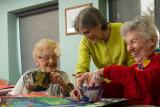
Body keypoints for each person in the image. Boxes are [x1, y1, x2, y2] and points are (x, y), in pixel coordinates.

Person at [71, 14, 160, 105]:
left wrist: (105, 71)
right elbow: (119, 89)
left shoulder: (158, 61)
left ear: (152, 41)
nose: (129, 49)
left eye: (133, 41)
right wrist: (97, 83)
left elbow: (141, 80)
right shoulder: (137, 66)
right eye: (127, 44)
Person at [74, 7, 135, 75]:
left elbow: (133, 62)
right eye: (83, 34)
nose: (86, 37)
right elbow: (82, 65)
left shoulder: (122, 30)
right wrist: (80, 75)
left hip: (128, 77)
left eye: (87, 32)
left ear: (98, 23)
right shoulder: (85, 41)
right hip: (105, 81)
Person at [9, 39, 74, 97]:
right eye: (46, 57)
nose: (51, 61)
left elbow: (71, 98)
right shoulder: (27, 76)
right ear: (37, 61)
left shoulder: (63, 76)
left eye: (54, 57)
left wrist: (62, 84)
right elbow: (12, 97)